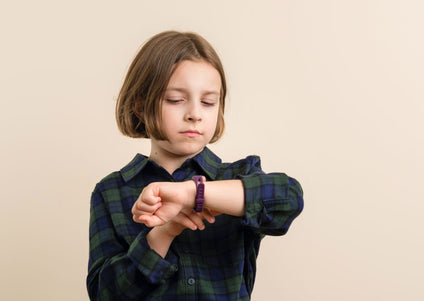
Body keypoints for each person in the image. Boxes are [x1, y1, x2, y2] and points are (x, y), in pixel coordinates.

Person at [86, 30, 304, 300]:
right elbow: (104, 294)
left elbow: (289, 198)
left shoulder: (236, 177)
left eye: (208, 102)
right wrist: (164, 233)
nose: (195, 114)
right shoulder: (111, 192)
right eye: (176, 100)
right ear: (140, 107)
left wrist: (193, 194)